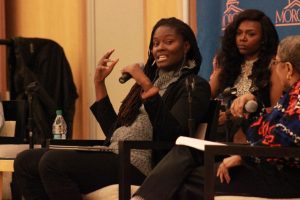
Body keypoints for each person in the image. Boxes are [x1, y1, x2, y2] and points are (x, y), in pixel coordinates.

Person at [13, 17, 211, 200]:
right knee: (25, 161)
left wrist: (145, 84)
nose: (160, 48)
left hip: (144, 166)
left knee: (53, 163)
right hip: (115, 154)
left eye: (169, 42)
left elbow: (172, 135)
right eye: (156, 43)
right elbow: (114, 132)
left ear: (186, 46)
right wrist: (99, 84)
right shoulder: (148, 83)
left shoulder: (193, 85)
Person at [132, 34, 300, 200]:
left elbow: (285, 138)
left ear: (289, 69)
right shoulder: (291, 95)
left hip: (284, 177)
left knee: (184, 178)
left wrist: (243, 156)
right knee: (189, 152)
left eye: (276, 63)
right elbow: (262, 132)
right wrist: (254, 109)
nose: (274, 68)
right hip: (269, 168)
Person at [208, 9, 282, 142]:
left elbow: (276, 110)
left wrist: (231, 116)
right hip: (224, 134)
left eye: (251, 34)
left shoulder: (274, 65)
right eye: (239, 33)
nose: (243, 38)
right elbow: (205, 96)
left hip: (257, 135)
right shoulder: (228, 63)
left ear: (264, 39)